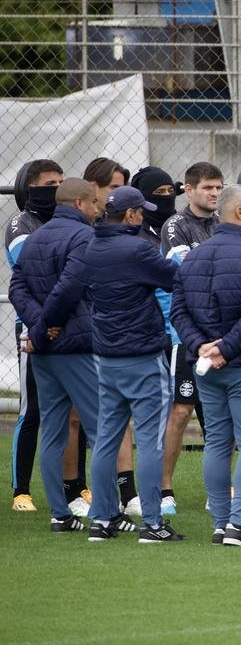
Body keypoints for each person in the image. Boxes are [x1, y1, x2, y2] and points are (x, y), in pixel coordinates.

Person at [47, 187, 182, 541]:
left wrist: (45, 324)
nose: (143, 216)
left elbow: (69, 290)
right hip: (142, 356)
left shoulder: (90, 247)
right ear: (131, 215)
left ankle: (103, 520)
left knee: (106, 438)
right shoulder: (138, 249)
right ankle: (152, 523)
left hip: (105, 357)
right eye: (141, 211)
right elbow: (175, 278)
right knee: (150, 440)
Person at [171, 184, 241, 546]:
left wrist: (202, 346)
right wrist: (226, 349)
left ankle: (221, 523)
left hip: (209, 366)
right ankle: (239, 525)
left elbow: (178, 311)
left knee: (217, 442)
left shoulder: (196, 256)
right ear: (239, 213)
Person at [9, 178, 109, 533]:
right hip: (75, 346)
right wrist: (46, 325)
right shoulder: (84, 236)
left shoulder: (36, 236)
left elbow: (16, 285)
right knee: (102, 429)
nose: (99, 209)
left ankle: (60, 515)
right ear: (80, 203)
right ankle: (105, 515)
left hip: (44, 351)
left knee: (52, 431)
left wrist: (38, 328)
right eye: (96, 203)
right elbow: (71, 286)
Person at [160, 162, 223, 515]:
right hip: (186, 335)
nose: (214, 193)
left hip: (224, 336)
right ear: (189, 188)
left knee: (219, 415)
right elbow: (186, 270)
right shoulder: (175, 225)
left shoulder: (223, 223)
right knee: (180, 412)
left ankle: (218, 488)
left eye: (218, 188)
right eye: (208, 188)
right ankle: (165, 488)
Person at [83, 158, 140, 516]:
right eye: (113, 188)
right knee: (113, 427)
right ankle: (147, 516)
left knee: (108, 427)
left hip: (104, 346)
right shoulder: (128, 247)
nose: (115, 195)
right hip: (121, 347)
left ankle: (108, 510)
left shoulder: (97, 242)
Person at [5, 159, 63, 513]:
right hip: (33, 327)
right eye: (48, 184)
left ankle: (77, 488)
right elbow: (34, 267)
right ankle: (20, 491)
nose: (55, 189)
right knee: (33, 411)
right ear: (30, 187)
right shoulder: (19, 223)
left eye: (60, 183)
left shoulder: (64, 220)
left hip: (69, 326)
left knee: (72, 413)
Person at [130, 166, 179, 247]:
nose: (168, 195)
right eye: (160, 192)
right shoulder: (134, 231)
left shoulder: (182, 224)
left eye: (171, 190)